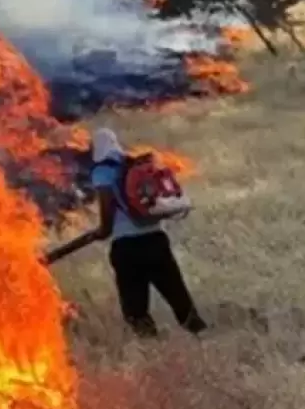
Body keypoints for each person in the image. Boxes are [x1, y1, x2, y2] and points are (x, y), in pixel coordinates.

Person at [53, 128, 208, 338]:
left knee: (136, 312)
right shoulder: (132, 163)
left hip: (128, 249)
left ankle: (153, 351)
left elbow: (106, 223)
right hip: (156, 241)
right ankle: (201, 336)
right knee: (180, 300)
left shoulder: (103, 172)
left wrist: (98, 233)